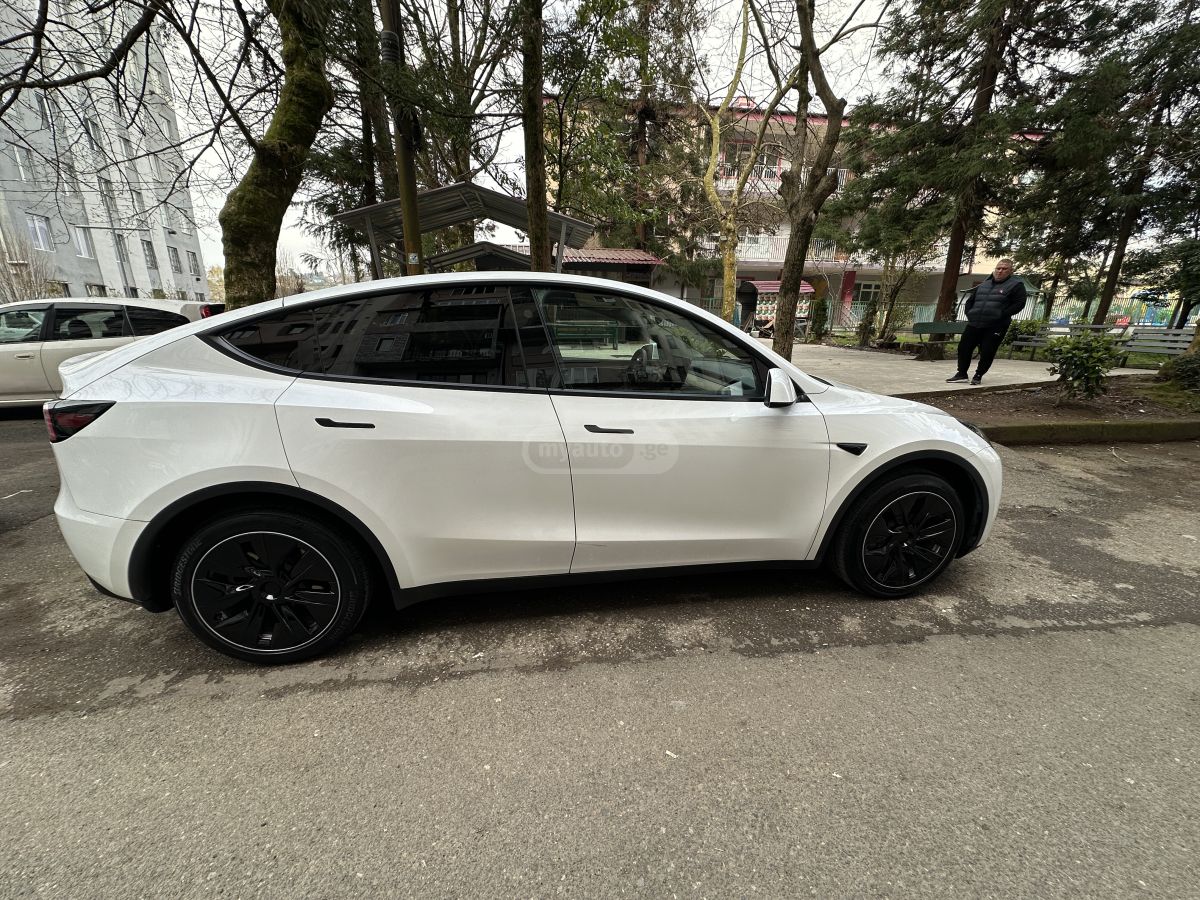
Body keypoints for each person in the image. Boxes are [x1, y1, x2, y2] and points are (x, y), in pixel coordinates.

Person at [947, 258, 1027, 385]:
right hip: (975, 323)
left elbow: (1019, 304)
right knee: (964, 348)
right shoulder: (984, 284)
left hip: (996, 325)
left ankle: (978, 375)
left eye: (1004, 269)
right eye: (998, 268)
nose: (1000, 271)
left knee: (987, 351)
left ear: (1011, 271)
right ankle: (961, 373)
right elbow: (970, 301)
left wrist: (1001, 314)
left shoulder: (1016, 285)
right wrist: (970, 314)